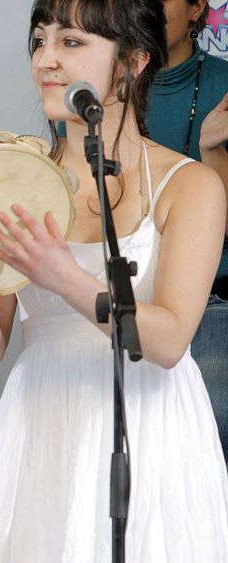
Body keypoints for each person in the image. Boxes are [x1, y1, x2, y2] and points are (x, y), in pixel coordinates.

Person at [0, 0, 228, 560]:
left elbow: (170, 341)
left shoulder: (189, 184)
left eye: (71, 43)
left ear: (133, 60)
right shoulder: (10, 181)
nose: (46, 60)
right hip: (44, 420)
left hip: (151, 423)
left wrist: (65, 277)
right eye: (39, 41)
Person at [146, 0, 228, 461]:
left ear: (198, 8)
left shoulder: (222, 85)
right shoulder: (94, 93)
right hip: (123, 302)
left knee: (204, 460)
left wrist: (211, 152)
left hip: (211, 307)